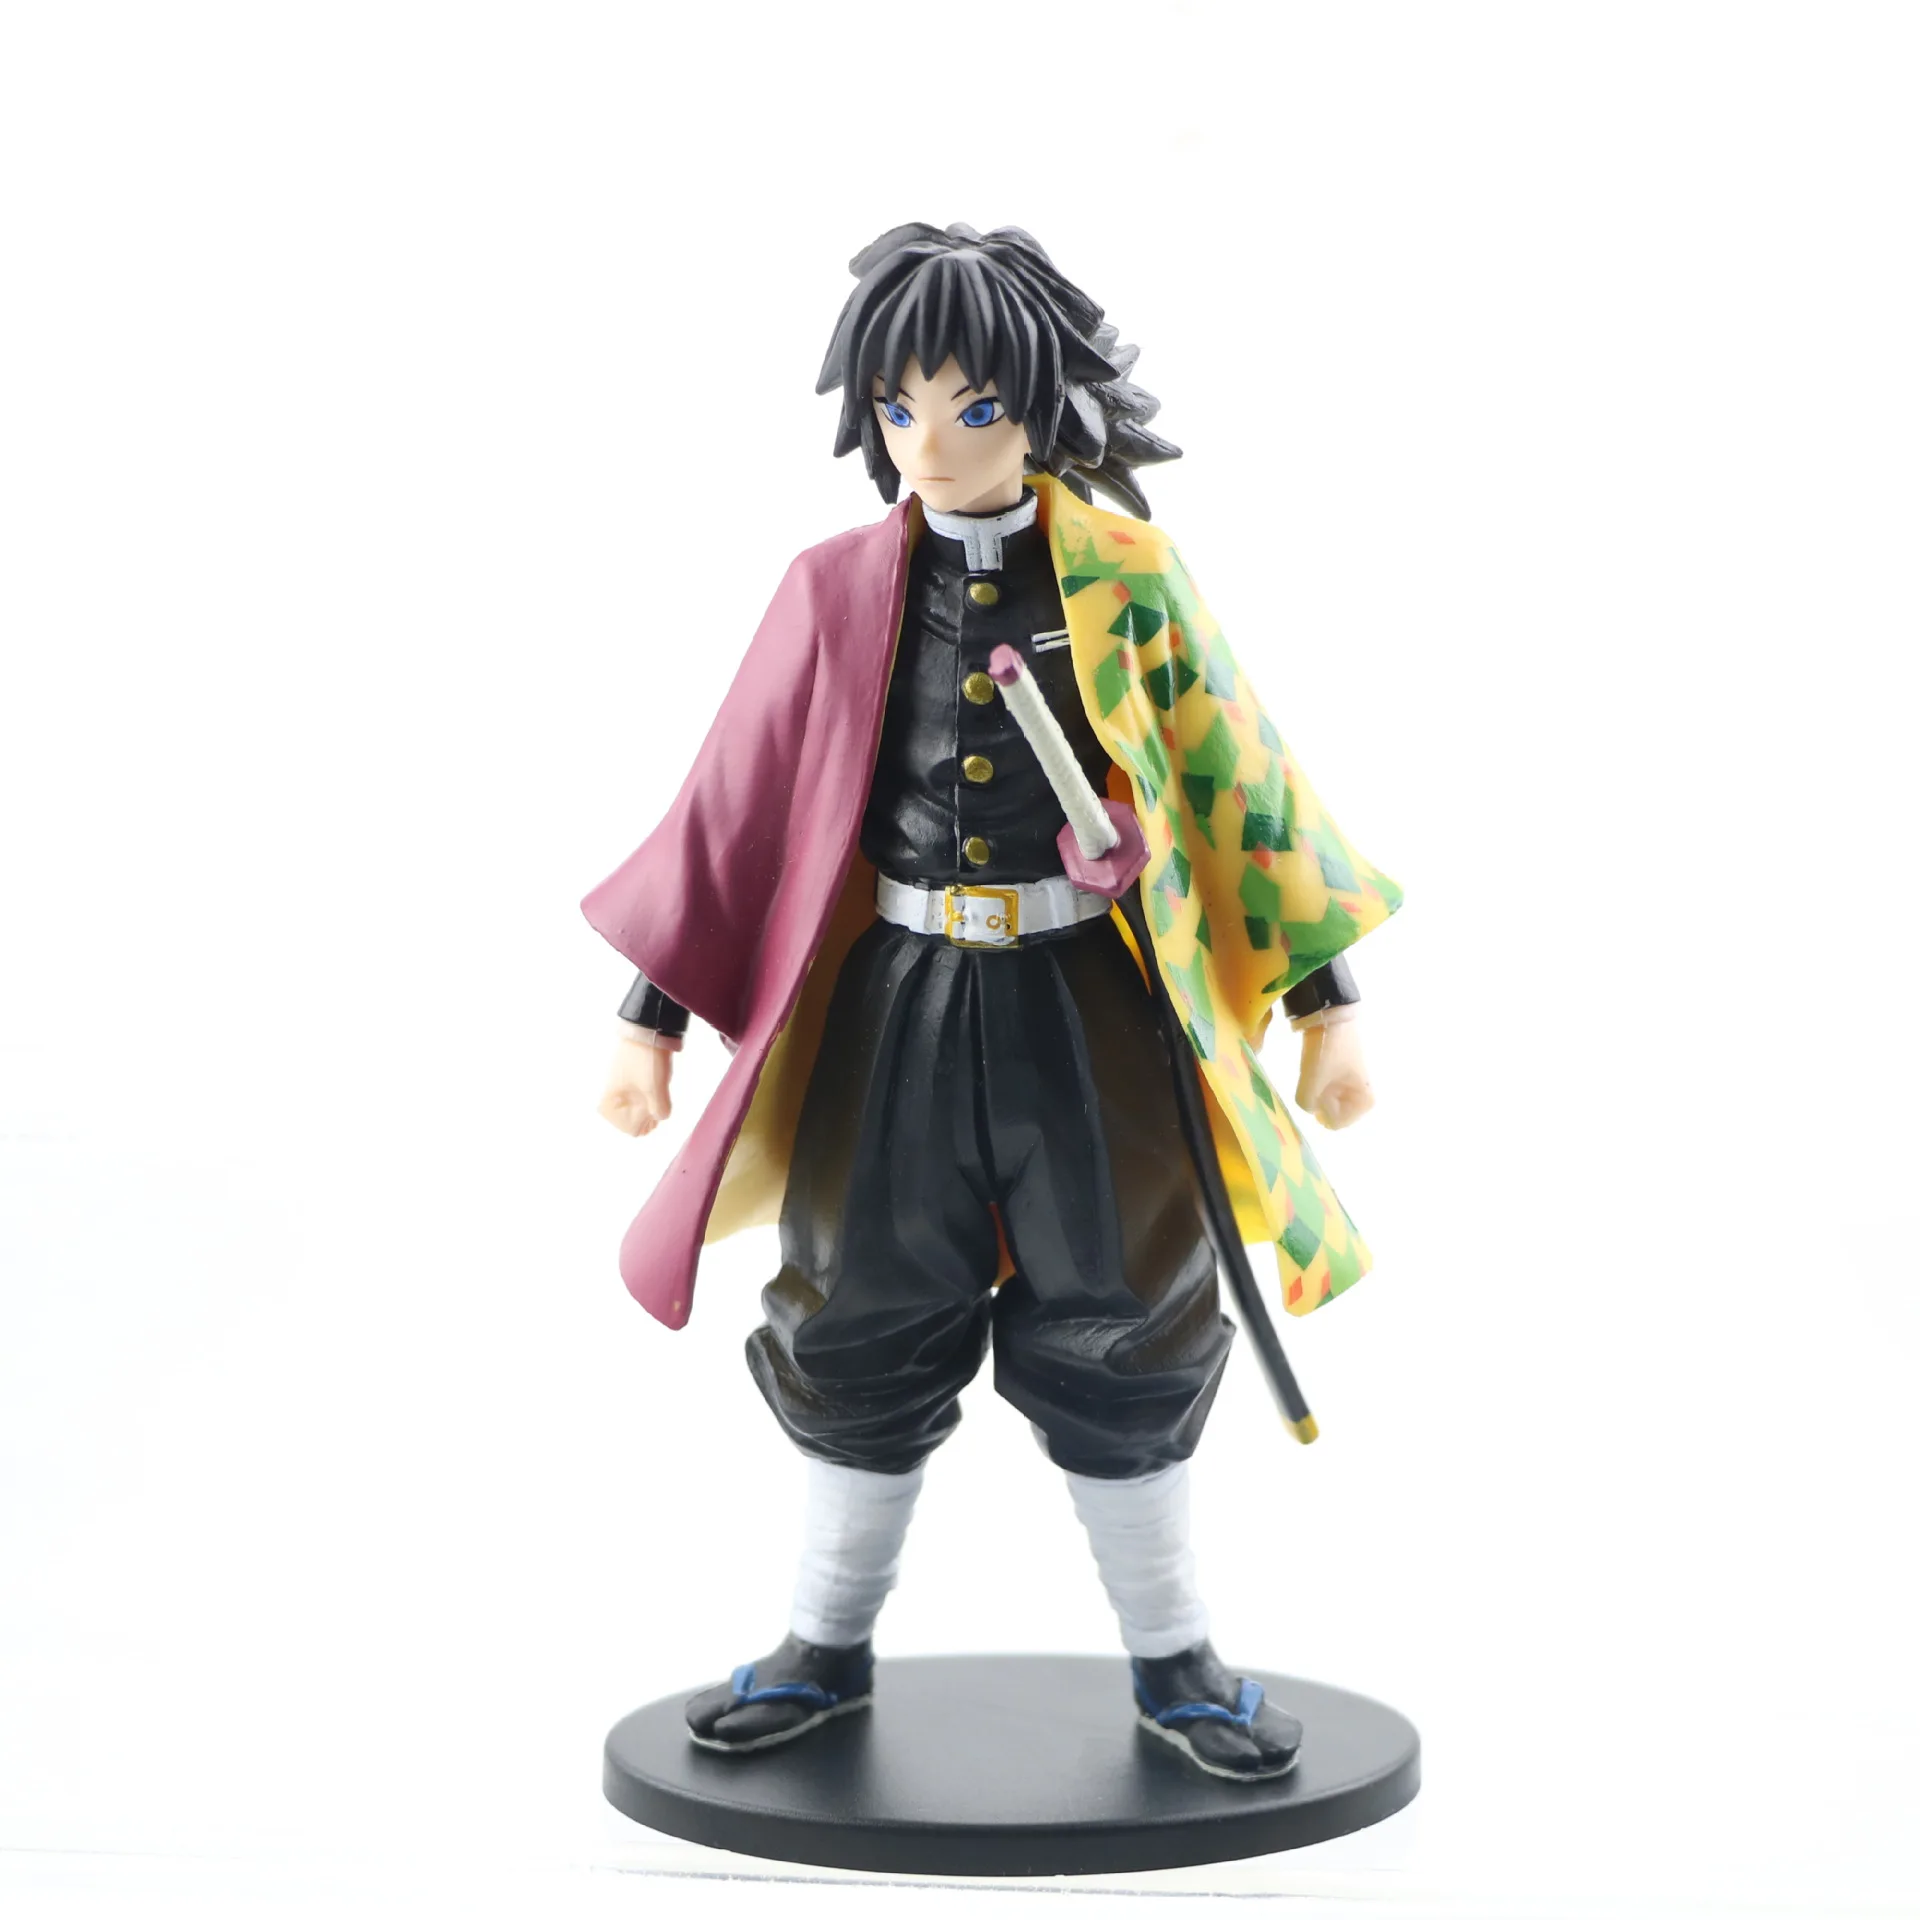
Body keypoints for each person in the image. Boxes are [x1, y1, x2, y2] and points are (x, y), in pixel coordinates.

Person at [585, 223, 1400, 1781]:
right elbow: (734, 803)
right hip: (894, 1015)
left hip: (1089, 1012)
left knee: (1131, 1319)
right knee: (857, 1313)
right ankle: (823, 1645)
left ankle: (1176, 1660)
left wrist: (1328, 998)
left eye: (971, 407)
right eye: (898, 408)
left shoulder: (1132, 582)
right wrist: (650, 1016)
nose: (930, 444)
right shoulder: (835, 589)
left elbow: (1240, 778)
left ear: (1044, 404)